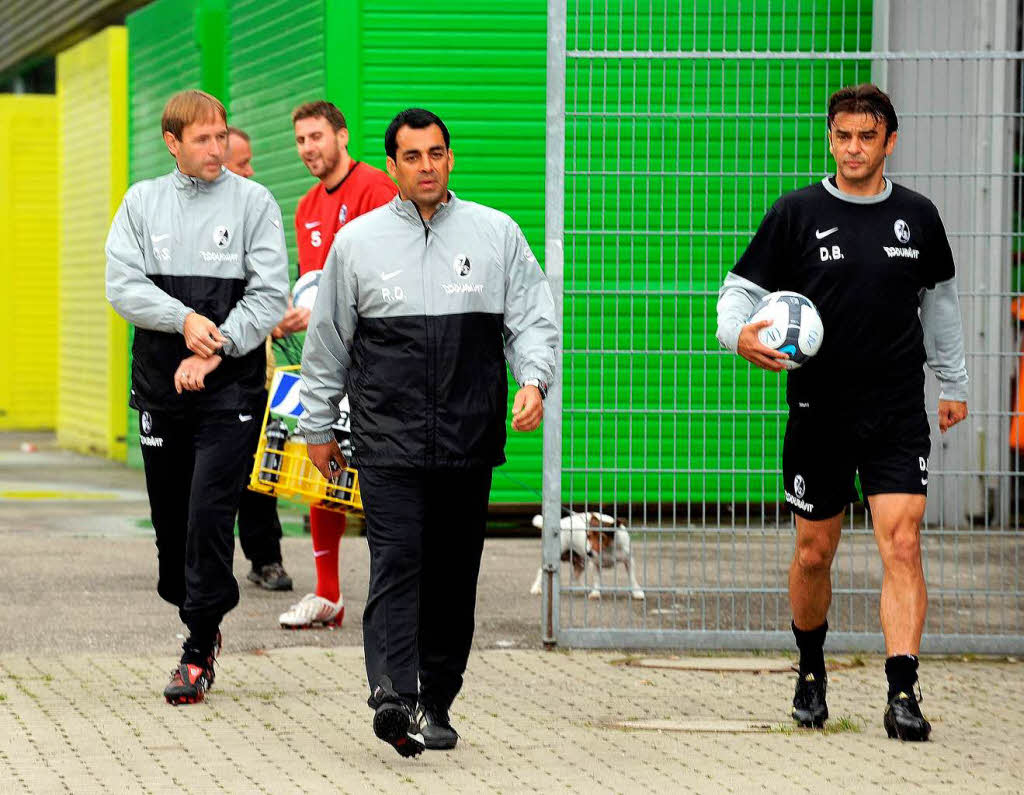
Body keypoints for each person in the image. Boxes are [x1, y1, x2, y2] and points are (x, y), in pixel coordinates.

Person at [298, 108, 557, 756]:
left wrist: (533, 380)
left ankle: (436, 699)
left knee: (451, 576)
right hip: (387, 441)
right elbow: (327, 342)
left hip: (468, 439)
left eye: (436, 153)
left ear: (450, 158)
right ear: (391, 165)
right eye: (412, 156)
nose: (426, 166)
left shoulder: (495, 233)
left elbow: (531, 317)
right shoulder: (357, 244)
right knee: (395, 561)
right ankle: (392, 693)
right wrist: (319, 425)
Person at [716, 83, 969, 741]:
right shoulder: (796, 212)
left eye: (866, 136)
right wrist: (736, 332)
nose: (853, 148)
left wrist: (954, 382)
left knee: (904, 541)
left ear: (889, 140)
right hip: (818, 410)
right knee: (812, 553)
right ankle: (808, 668)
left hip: (894, 409)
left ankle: (903, 688)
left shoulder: (918, 216)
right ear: (830, 138)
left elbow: (940, 304)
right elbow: (740, 290)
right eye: (842, 135)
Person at [105, 90, 289, 705]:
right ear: (172, 142)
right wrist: (184, 320)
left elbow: (267, 297)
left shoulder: (254, 202)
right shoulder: (142, 201)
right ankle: (193, 610)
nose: (218, 149)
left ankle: (198, 645)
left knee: (211, 515)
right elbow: (121, 286)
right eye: (204, 139)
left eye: (223, 136)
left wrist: (213, 348)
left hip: (229, 390)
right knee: (171, 531)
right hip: (160, 388)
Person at [275, 100, 398, 629]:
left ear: (341, 136)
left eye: (317, 137)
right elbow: (313, 280)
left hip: (379, 353)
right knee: (318, 464)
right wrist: (290, 314)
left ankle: (401, 596)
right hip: (329, 358)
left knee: (384, 476)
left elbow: (394, 266)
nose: (308, 149)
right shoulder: (304, 207)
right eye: (301, 140)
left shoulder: (375, 189)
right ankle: (328, 594)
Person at [223, 124, 292, 592]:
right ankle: (195, 563)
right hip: (202, 366)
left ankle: (265, 558)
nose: (251, 171)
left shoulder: (258, 214)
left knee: (257, 470)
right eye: (243, 162)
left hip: (255, 366)